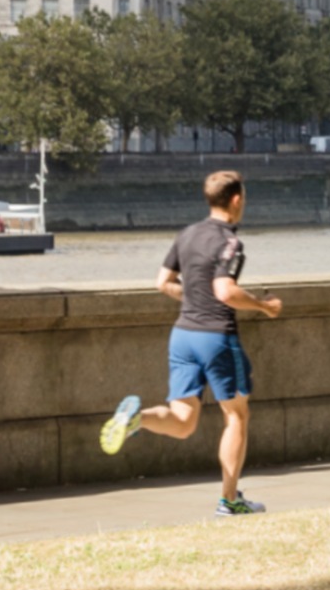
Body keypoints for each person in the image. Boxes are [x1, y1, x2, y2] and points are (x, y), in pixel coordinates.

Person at [100, 170, 283, 515]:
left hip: (183, 335)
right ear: (237, 200)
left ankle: (136, 419)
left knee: (183, 422)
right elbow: (225, 291)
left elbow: (162, 282)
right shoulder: (230, 242)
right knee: (237, 417)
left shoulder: (187, 234)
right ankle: (230, 501)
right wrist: (263, 306)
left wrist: (194, 299)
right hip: (216, 338)